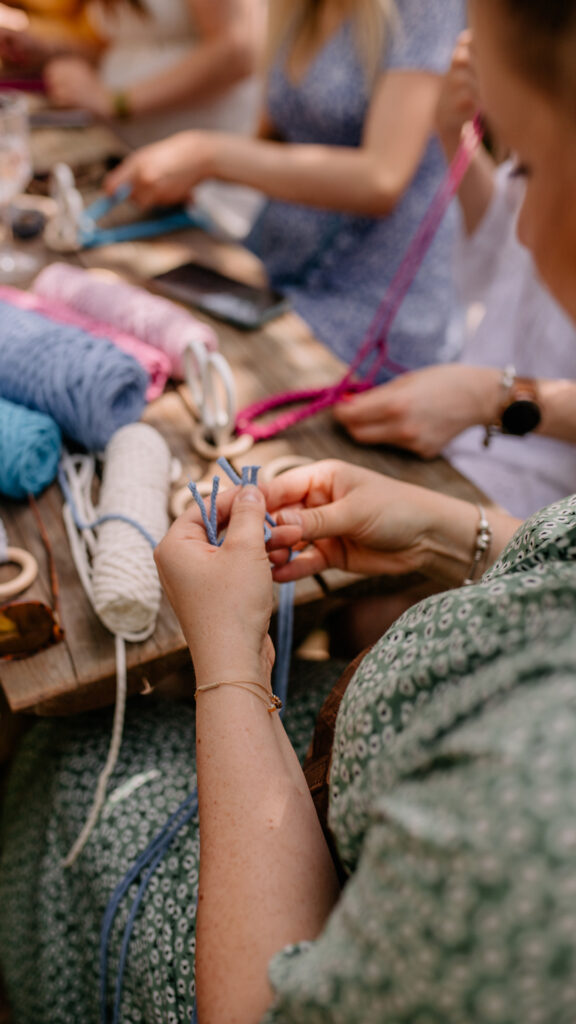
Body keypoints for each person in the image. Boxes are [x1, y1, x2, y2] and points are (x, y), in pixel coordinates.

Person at [2, 2, 576, 1023]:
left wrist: (231, 666)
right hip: (345, 759)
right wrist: (443, 530)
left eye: (520, 165)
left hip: (280, 893)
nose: (516, 224)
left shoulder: (528, 816)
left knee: (60, 748)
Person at [105, 0, 466, 375]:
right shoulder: (298, 9)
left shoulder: (427, 8)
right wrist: (188, 174)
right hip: (274, 269)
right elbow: (273, 137)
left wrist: (209, 156)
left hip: (370, 304)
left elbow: (382, 180)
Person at [334, 29, 576, 520]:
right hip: (460, 444)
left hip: (540, 505)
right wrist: (455, 135)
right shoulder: (552, 129)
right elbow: (500, 252)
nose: (528, 231)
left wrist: (493, 397)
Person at [0, 0, 264, 147]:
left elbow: (238, 50)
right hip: (126, 152)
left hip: (205, 178)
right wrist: (48, 50)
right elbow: (124, 46)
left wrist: (114, 101)